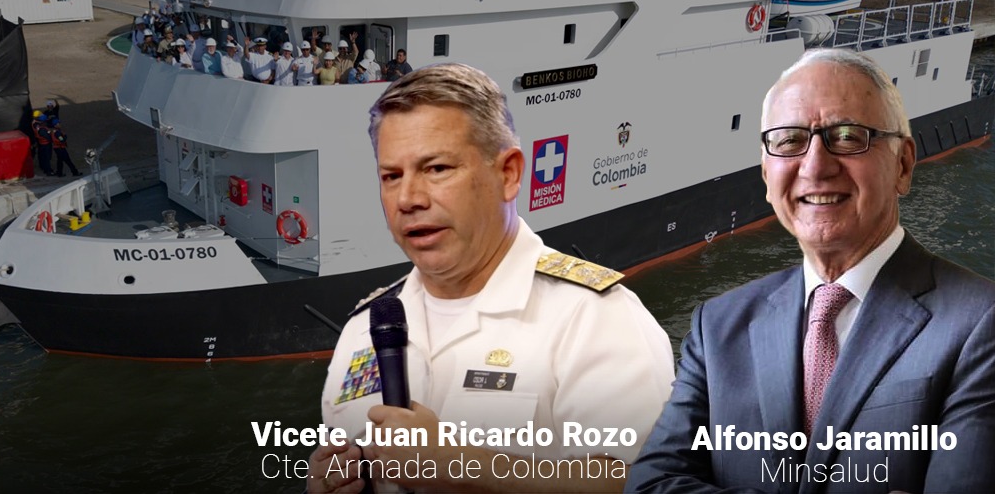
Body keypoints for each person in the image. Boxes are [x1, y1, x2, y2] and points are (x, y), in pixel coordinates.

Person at [626, 48, 995, 493]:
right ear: (767, 175)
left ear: (902, 164)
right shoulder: (716, 326)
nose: (816, 166)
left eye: (847, 136)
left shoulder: (982, 322)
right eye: (789, 140)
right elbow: (650, 485)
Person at [309, 63, 675, 493]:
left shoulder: (594, 319)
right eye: (392, 176)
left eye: (437, 168)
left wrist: (459, 463)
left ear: (508, 174)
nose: (408, 198)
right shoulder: (363, 330)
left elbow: (643, 483)